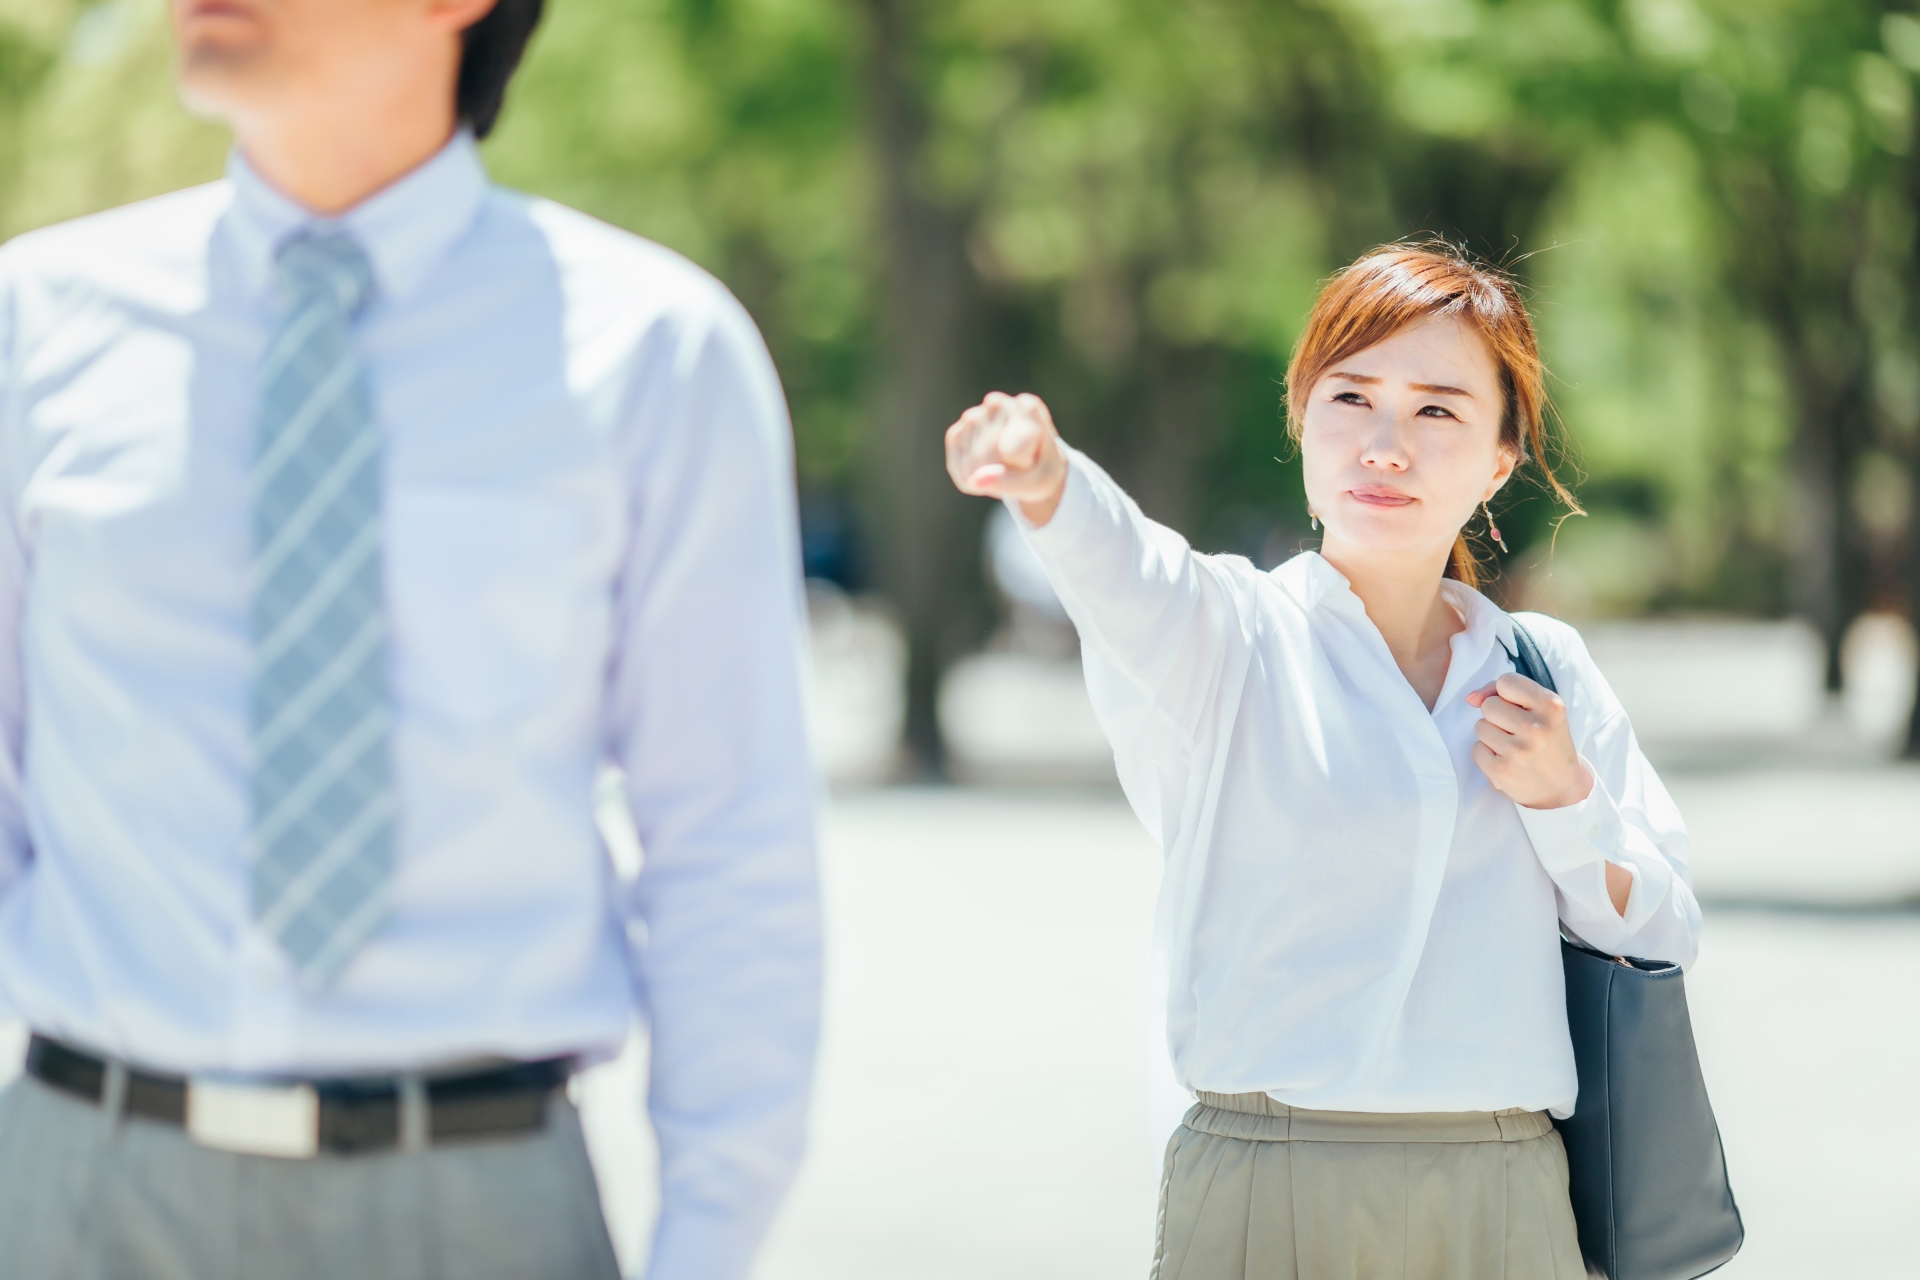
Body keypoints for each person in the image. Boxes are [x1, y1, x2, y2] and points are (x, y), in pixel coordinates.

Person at [0, 1, 820, 1276]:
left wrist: (705, 1248)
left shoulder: (656, 354)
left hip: (482, 1206)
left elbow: (728, 848)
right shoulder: (34, 329)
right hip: (81, 1188)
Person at [943, 244, 1700, 1280]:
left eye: (1438, 411)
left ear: (1499, 458)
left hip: (1507, 1190)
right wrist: (1046, 481)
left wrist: (1567, 800)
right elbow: (1125, 569)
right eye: (1352, 397)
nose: (1385, 445)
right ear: (1301, 417)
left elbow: (1660, 926)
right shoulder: (1229, 636)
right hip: (1271, 1178)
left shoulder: (1544, 670)